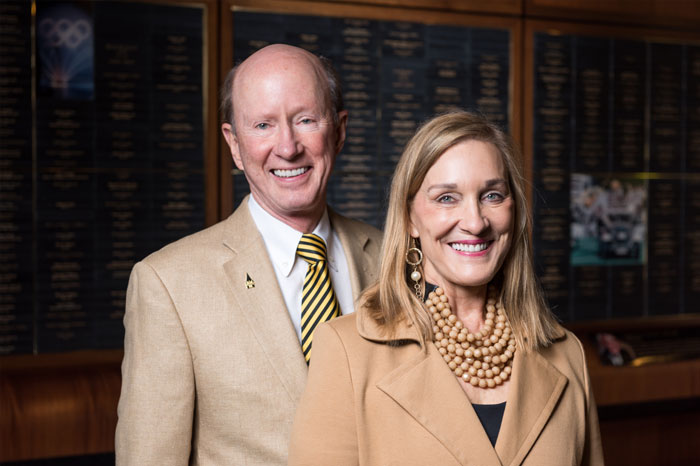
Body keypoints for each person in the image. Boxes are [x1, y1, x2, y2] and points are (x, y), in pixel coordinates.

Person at [115, 44, 382, 465]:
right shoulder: (168, 284)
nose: (288, 146)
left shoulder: (396, 260)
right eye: (263, 125)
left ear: (340, 130)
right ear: (235, 145)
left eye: (305, 120)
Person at [288, 111, 604, 465]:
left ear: (514, 211)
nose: (474, 222)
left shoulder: (567, 354)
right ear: (410, 218)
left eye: (492, 195)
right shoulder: (346, 351)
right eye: (447, 198)